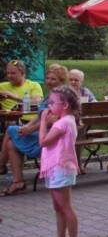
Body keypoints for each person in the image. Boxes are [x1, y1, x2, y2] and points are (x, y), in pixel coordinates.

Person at [0, 64, 68, 196]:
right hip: (41, 131)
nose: (49, 81)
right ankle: (17, 181)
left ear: (61, 80)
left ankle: (1, 165)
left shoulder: (62, 96)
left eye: (53, 79)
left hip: (53, 135)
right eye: (47, 78)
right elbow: (39, 116)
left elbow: (52, 120)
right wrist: (27, 127)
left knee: (11, 130)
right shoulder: (50, 95)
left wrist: (30, 129)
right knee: (11, 143)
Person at [36, 86, 83, 237]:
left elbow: (43, 141)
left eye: (52, 102)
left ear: (65, 105)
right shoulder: (64, 120)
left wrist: (43, 121)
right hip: (54, 169)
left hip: (61, 168)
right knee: (58, 207)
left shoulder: (64, 122)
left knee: (66, 207)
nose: (49, 106)